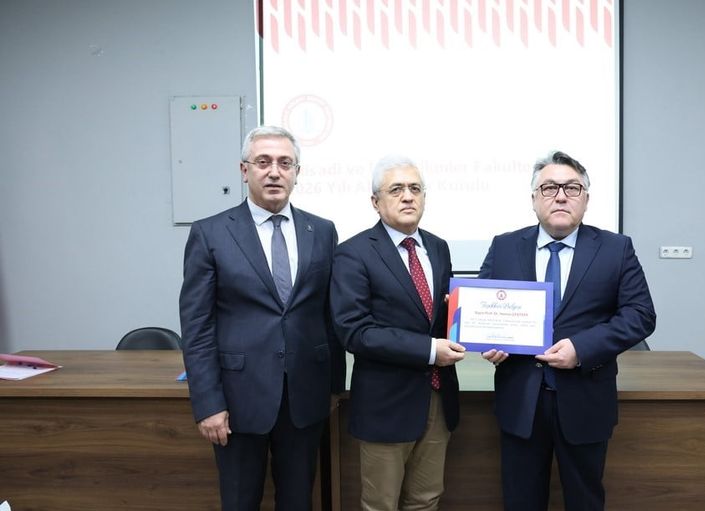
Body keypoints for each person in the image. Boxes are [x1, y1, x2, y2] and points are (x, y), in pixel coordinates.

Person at [179, 126, 344, 510]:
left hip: (305, 397)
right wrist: (208, 403)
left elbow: (329, 315)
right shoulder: (210, 233)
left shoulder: (322, 231)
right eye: (263, 162)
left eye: (285, 163)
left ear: (297, 172)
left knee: (298, 501)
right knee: (240, 502)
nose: (274, 172)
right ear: (244, 170)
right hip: (238, 399)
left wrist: (334, 386)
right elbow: (197, 327)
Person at [480, 151, 656, 511]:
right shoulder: (505, 246)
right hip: (521, 401)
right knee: (521, 501)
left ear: (586, 199)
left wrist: (582, 348)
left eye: (572, 188)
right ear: (534, 199)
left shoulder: (616, 248)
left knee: (584, 500)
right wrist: (488, 340)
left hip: (586, 398)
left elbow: (641, 315)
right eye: (549, 188)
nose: (560, 196)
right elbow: (481, 309)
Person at [330, 155, 466, 511]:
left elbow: (442, 317)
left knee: (426, 499)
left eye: (415, 188)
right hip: (386, 404)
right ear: (375, 202)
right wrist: (430, 350)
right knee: (381, 504)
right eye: (396, 189)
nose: (408, 196)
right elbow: (355, 331)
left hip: (437, 397)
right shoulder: (353, 253)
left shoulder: (438, 247)